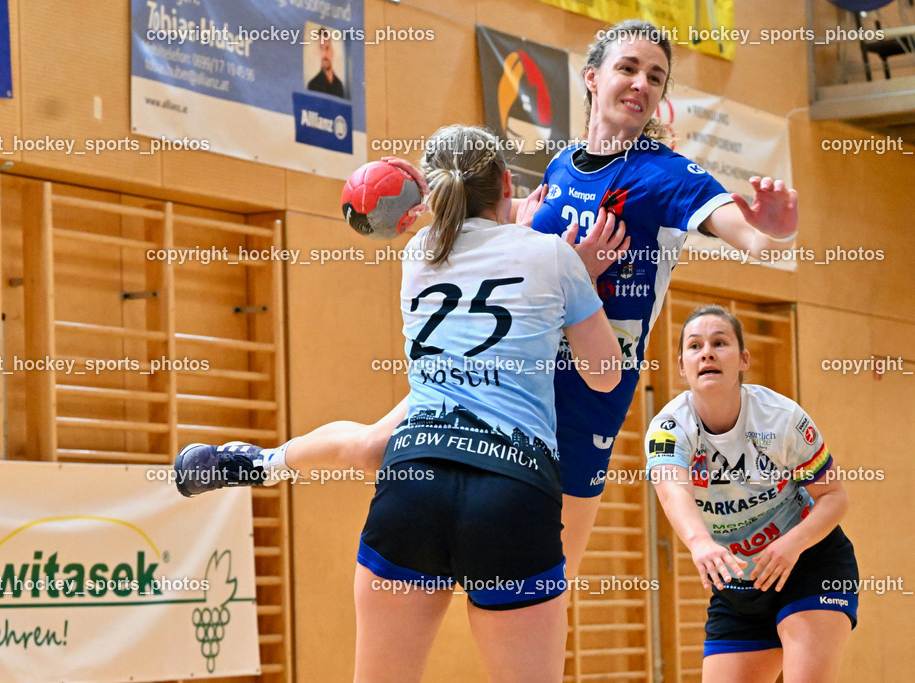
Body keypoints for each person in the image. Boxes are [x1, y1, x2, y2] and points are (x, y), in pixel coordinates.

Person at [174, 19, 801, 578]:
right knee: (371, 448)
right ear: (592, 78)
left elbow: (748, 236)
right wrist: (490, 225)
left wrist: (771, 231)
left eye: (655, 77)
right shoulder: (560, 167)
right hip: (502, 364)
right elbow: (509, 242)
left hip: (587, 389)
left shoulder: (667, 176)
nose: (641, 83)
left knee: (555, 576)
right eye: (628, 68)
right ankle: (257, 462)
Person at [183, 125, 622, 680]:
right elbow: (604, 377)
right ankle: (262, 462)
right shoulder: (553, 257)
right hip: (509, 488)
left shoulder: (419, 252)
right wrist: (577, 279)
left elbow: (474, 241)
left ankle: (263, 462)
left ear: (435, 192)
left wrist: (506, 228)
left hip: (416, 478)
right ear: (507, 183)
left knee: (371, 445)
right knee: (370, 443)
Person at [646, 305, 857, 682]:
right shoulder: (669, 428)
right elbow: (672, 489)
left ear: (744, 358)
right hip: (738, 586)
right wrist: (699, 542)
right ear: (681, 365)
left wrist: (792, 544)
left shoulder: (781, 417)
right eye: (695, 346)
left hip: (809, 563)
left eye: (719, 343)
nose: (707, 353)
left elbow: (834, 497)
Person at [306, 29, 345, 98]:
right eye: (321, 48)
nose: (324, 54)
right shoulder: (312, 86)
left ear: (332, 52)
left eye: (327, 48)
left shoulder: (339, 85)